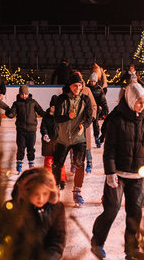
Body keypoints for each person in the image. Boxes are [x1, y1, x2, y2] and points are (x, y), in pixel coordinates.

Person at [91, 83, 144, 260]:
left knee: (135, 213)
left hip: (138, 176)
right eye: (139, 102)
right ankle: (97, 241)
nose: (142, 105)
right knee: (112, 209)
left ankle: (131, 250)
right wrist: (110, 172)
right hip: (117, 174)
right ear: (131, 100)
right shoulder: (117, 120)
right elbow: (109, 149)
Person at [9, 168, 65, 260]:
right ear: (26, 191)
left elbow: (57, 240)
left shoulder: (56, 209)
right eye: (36, 194)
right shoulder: (13, 209)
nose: (41, 198)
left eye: (45, 194)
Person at [52, 73, 93, 207]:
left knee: (79, 164)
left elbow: (89, 117)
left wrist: (84, 126)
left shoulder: (85, 100)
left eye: (80, 85)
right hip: (63, 139)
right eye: (75, 85)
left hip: (78, 139)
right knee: (57, 165)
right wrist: (68, 117)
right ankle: (56, 189)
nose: (77, 88)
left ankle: (77, 191)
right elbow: (57, 118)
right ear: (70, 86)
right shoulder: (61, 99)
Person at [5, 84, 45, 172]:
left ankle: (31, 163)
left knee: (31, 147)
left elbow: (41, 112)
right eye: (22, 94)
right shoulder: (16, 103)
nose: (24, 96)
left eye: (25, 94)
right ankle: (19, 162)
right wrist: (9, 113)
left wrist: (49, 114)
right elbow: (12, 114)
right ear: (19, 94)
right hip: (21, 129)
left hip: (31, 130)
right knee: (21, 147)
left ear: (28, 93)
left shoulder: (33, 102)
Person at [40, 95, 66, 186]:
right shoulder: (46, 116)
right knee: (48, 161)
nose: (53, 109)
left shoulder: (60, 117)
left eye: (55, 107)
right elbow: (43, 127)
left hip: (59, 142)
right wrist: (45, 134)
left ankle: (61, 179)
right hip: (48, 143)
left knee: (59, 162)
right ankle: (47, 178)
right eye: (52, 107)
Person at [87, 72, 109, 147]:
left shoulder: (99, 89)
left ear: (96, 81)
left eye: (94, 81)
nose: (92, 83)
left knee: (95, 124)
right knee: (85, 124)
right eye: (91, 81)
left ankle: (96, 138)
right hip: (87, 109)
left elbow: (103, 100)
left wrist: (105, 109)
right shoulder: (87, 88)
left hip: (95, 109)